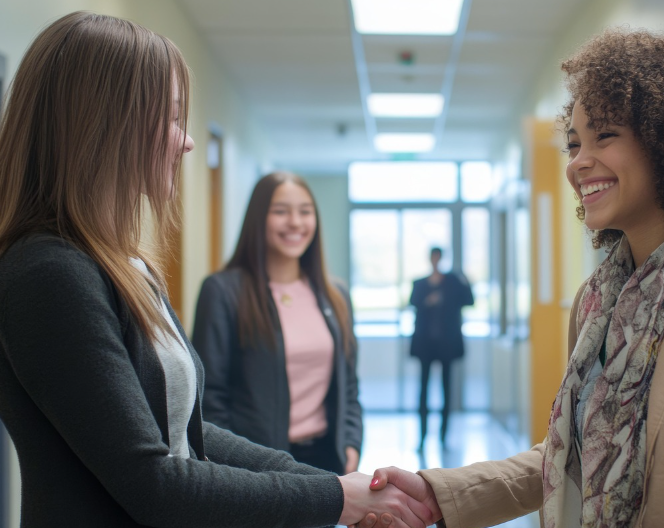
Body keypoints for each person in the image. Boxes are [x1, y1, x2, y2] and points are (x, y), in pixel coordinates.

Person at [0, 11, 433, 528]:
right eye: (173, 117)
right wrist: (336, 498)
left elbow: (192, 431)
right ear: (105, 122)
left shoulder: (129, 269)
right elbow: (154, 484)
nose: (186, 142)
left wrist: (329, 485)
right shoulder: (48, 274)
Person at [366, 28, 664, 528]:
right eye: (574, 143)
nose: (578, 162)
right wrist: (436, 494)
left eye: (605, 135)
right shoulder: (599, 302)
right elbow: (570, 455)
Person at [192, 171, 362, 479]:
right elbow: (210, 396)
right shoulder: (223, 292)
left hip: (326, 461)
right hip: (257, 468)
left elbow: (349, 384)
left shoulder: (335, 296)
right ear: (258, 218)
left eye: (305, 211)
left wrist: (351, 442)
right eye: (281, 211)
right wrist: (235, 467)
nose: (295, 222)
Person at [408, 247, 473, 450]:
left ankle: (444, 437)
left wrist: (464, 279)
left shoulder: (453, 282)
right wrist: (428, 302)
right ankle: (422, 437)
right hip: (426, 346)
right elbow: (413, 303)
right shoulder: (420, 284)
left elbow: (469, 300)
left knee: (446, 389)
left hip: (446, 346)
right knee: (423, 391)